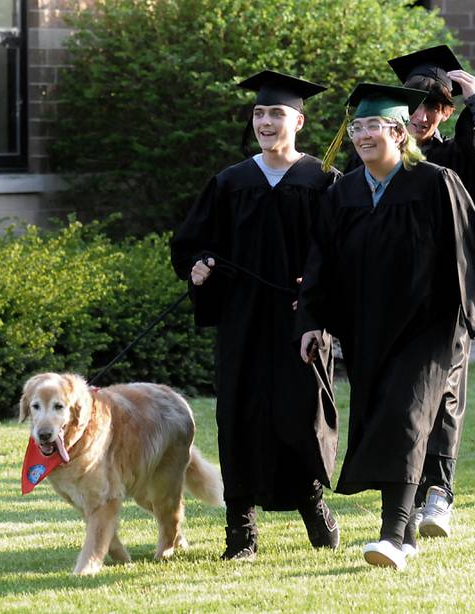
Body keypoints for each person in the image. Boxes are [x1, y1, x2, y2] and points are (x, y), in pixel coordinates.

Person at [297, 82, 475, 570]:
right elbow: (320, 264)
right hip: (369, 330)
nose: (362, 135)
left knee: (405, 417)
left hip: (431, 326)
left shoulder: (435, 181)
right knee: (383, 419)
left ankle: (389, 536)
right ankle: (405, 533)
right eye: (357, 127)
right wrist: (311, 321)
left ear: (399, 132)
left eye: (374, 127)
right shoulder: (343, 194)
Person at [170, 70, 341, 562]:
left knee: (300, 414)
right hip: (242, 319)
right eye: (259, 113)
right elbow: (193, 243)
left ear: (299, 121)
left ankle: (312, 502)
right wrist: (199, 266)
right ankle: (240, 530)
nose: (266, 122)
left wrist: (319, 297)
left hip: (300, 319)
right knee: (238, 416)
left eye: (277, 114)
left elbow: (339, 251)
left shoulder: (322, 182)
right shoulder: (230, 182)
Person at [385, 44, 475, 538]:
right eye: (412, 105)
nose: (421, 117)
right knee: (399, 399)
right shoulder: (382, 160)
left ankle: (438, 493)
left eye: (434, 106)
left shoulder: (456, 156)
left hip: (448, 293)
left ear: (446, 109)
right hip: (390, 297)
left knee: (445, 393)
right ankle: (405, 493)